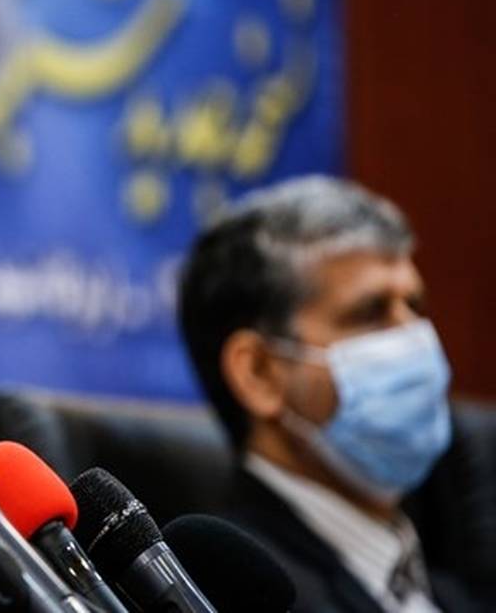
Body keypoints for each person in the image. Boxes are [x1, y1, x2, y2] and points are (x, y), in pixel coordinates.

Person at [177, 175, 490, 613]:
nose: (417, 337)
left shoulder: (454, 591)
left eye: (415, 306)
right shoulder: (234, 599)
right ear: (259, 373)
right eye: (371, 313)